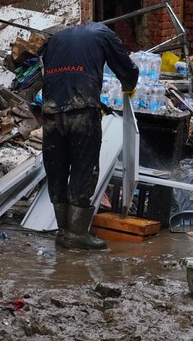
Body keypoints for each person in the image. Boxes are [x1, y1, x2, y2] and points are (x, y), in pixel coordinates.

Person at [40, 23, 140, 250]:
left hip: (51, 111)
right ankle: (77, 233)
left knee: (56, 168)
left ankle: (63, 230)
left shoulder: (54, 38)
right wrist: (129, 86)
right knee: (84, 168)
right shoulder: (103, 34)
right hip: (82, 107)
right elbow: (126, 68)